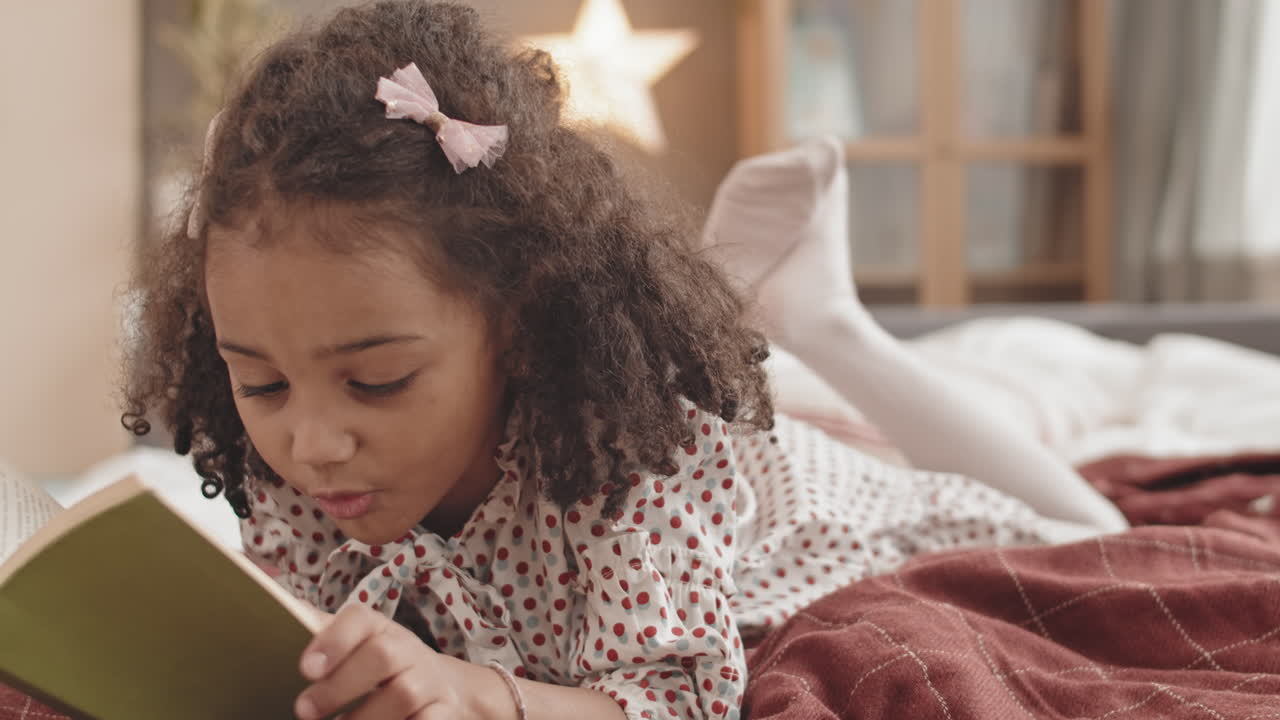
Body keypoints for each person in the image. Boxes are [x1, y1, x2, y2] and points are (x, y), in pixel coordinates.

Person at [122, 3, 1126, 719]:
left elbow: (679, 699)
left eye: (376, 380)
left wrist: (483, 697)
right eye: (258, 381)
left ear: (513, 322)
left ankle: (824, 324)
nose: (311, 439)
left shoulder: (624, 462)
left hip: (812, 515)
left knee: (1096, 538)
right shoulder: (297, 475)